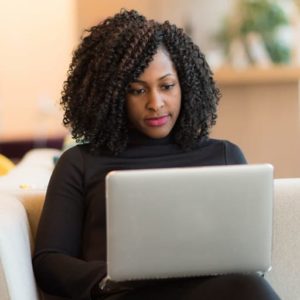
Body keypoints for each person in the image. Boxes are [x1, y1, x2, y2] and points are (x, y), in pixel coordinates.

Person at [33, 9, 280, 300]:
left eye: (167, 86)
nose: (156, 103)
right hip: (124, 296)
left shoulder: (225, 155)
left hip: (212, 293)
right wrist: (109, 278)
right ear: (111, 95)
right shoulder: (80, 162)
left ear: (185, 85)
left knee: (250, 287)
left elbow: (244, 254)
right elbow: (49, 261)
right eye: (137, 90)